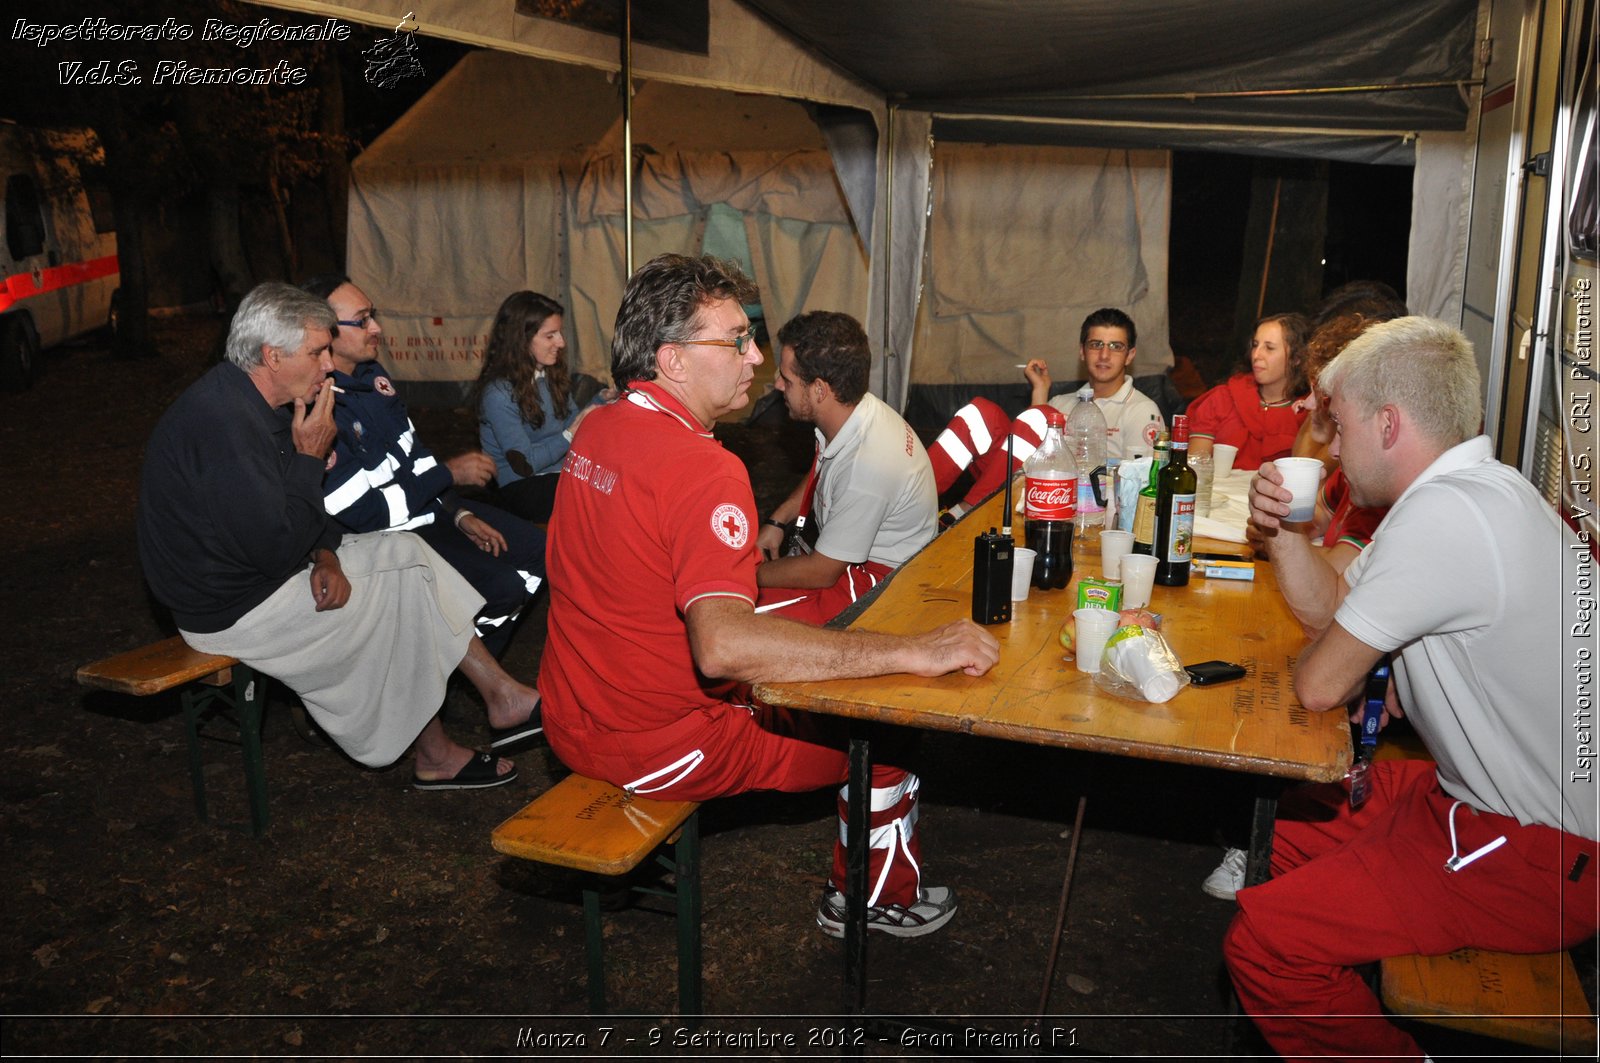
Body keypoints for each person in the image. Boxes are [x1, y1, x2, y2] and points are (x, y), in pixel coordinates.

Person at [539, 253, 1000, 938]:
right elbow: (722, 646)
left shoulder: (599, 427)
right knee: (889, 731)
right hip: (652, 744)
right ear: (672, 359)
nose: (755, 356)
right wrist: (913, 649)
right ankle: (872, 899)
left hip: (570, 713)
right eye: (735, 340)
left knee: (818, 637)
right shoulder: (704, 467)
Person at [1219, 316, 1596, 1059]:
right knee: (1290, 828)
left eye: (1342, 422)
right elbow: (1333, 607)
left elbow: (1321, 683)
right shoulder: (1467, 492)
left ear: (1388, 423)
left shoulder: (1447, 516)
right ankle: (1349, 967)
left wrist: (1353, 663)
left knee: (1265, 942)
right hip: (1475, 799)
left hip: (1546, 853)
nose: (1331, 443)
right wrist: (1291, 531)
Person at [136, 283, 541, 790]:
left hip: (267, 571)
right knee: (401, 595)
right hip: (230, 608)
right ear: (272, 356)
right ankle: (441, 747)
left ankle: (500, 697)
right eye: (317, 352)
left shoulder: (259, 403)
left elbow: (297, 522)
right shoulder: (223, 428)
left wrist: (326, 553)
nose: (328, 364)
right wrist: (310, 458)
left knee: (408, 553)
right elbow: (274, 546)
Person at [301, 276, 545, 701]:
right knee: (503, 587)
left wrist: (459, 512)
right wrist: (449, 475)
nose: (377, 327)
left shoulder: (373, 378)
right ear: (323, 333)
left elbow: (417, 458)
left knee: (539, 552)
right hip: (388, 539)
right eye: (362, 320)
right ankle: (449, 685)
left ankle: (454, 673)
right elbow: (366, 516)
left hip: (432, 512)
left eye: (372, 314)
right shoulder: (318, 406)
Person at [755, 311, 937, 623]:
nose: (777, 385)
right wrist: (779, 519)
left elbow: (821, 572)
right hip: (847, 561)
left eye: (787, 379)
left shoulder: (867, 465)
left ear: (819, 390)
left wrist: (749, 574)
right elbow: (824, 463)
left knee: (741, 619)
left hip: (879, 583)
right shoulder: (855, 413)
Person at [927, 308, 1164, 521]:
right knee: (980, 414)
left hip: (1083, 506)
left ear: (1130, 355)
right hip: (1032, 491)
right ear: (1082, 352)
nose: (1104, 355)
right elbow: (1028, 456)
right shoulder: (1061, 402)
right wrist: (1040, 392)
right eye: (1096, 345)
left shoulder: (1141, 410)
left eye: (1115, 346)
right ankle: (915, 502)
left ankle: (962, 514)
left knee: (1045, 416)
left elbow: (1142, 486)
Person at [468, 291, 615, 525]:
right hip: (522, 487)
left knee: (624, 480)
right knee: (604, 496)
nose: (561, 342)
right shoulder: (498, 393)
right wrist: (570, 434)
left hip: (559, 476)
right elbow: (525, 464)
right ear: (522, 339)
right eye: (550, 336)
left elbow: (572, 427)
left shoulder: (549, 376)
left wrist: (601, 400)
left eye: (560, 333)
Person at [1186, 312, 1311, 470]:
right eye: (1255, 345)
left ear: (1296, 358)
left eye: (1269, 348)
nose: (1256, 355)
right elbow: (1194, 467)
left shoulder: (1310, 411)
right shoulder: (1223, 398)